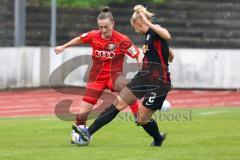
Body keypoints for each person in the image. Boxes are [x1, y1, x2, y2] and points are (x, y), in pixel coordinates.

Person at [73, 5, 173, 147]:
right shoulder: (149, 36)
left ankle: (158, 139)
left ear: (140, 23)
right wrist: (169, 53)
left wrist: (148, 22)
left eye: (135, 26)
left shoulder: (154, 29)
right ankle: (88, 132)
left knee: (141, 119)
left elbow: (167, 35)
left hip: (158, 81)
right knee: (119, 103)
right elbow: (164, 46)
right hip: (144, 76)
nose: (135, 30)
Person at [55, 6, 141, 143]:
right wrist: (63, 47)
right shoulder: (93, 35)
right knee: (83, 111)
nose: (103, 30)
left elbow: (137, 54)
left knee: (125, 87)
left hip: (114, 75)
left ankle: (138, 115)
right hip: (97, 77)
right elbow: (80, 38)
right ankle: (79, 133)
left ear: (112, 24)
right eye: (100, 27)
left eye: (106, 27)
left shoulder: (122, 40)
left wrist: (141, 68)